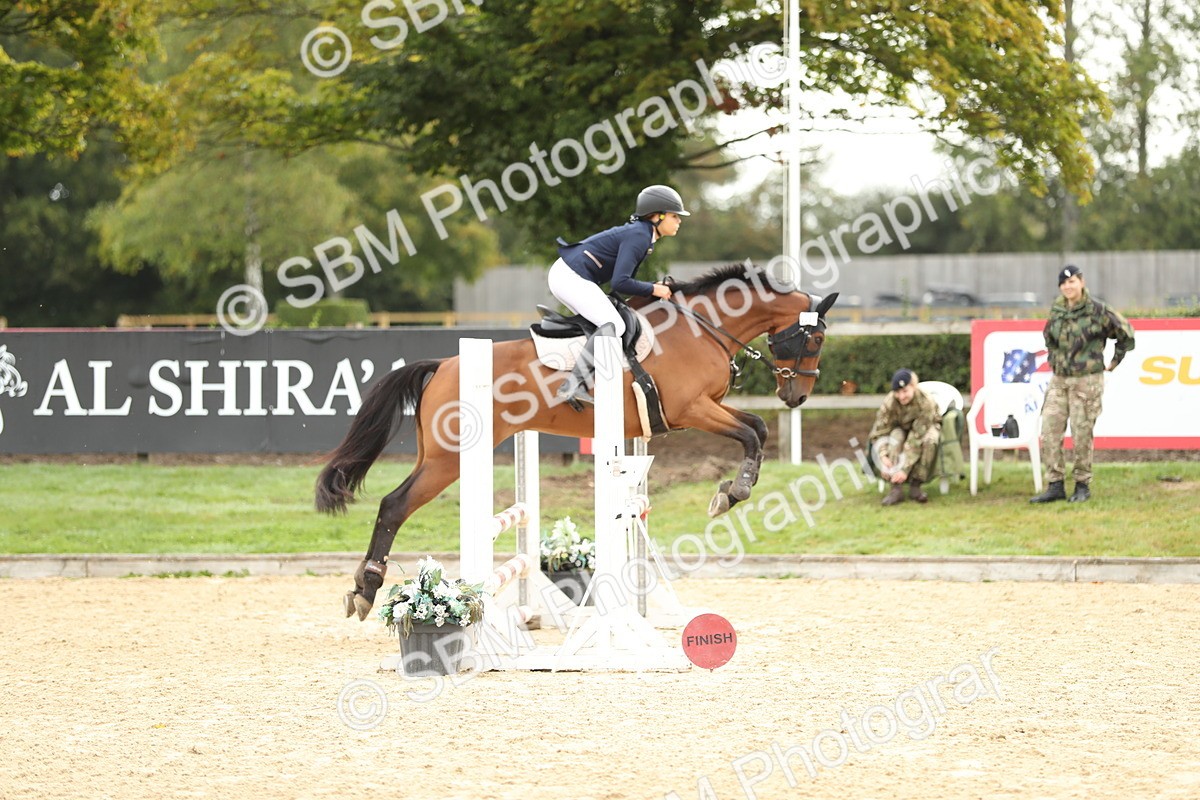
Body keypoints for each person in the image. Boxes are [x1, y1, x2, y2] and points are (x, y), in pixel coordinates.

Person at [548, 184, 688, 409]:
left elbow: (622, 285)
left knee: (612, 318)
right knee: (614, 324)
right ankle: (571, 385)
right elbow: (620, 282)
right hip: (570, 276)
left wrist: (653, 288)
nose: (679, 221)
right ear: (656, 216)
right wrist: (654, 289)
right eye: (674, 216)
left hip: (570, 274)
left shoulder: (643, 235)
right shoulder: (639, 236)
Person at [1030, 265, 1135, 504]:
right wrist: (1054, 358)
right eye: (1064, 283)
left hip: (1086, 380)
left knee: (1081, 433)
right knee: (1049, 430)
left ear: (1082, 282)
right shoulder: (1058, 309)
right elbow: (1049, 337)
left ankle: (1082, 484)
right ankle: (1055, 484)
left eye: (1072, 282)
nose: (1068, 286)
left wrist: (1115, 360)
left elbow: (1126, 333)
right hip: (1060, 379)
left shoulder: (1097, 310)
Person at [869, 369, 942, 506]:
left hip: (925, 428)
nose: (901, 396)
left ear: (914, 387)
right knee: (895, 437)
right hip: (901, 427)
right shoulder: (889, 403)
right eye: (898, 392)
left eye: (905, 391)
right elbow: (879, 432)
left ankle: (916, 485)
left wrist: (904, 469)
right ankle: (896, 489)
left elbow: (916, 437)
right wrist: (883, 456)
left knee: (930, 440)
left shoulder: (926, 402)